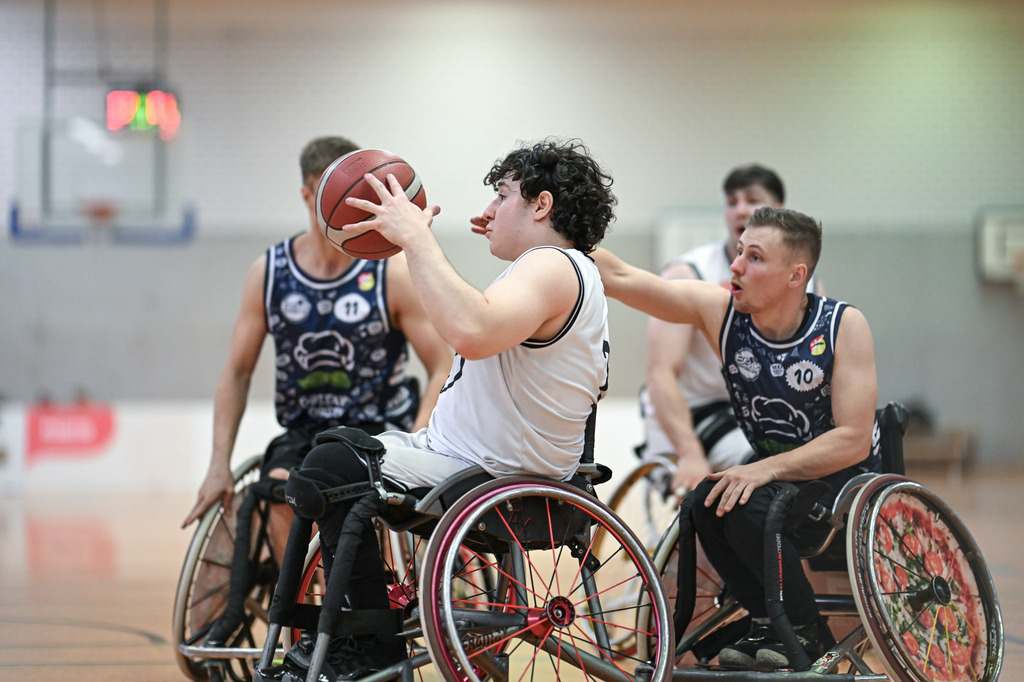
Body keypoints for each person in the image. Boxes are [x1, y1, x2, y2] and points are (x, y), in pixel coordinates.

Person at [268, 139, 615, 680]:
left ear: (541, 205)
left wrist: (414, 236)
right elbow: (473, 319)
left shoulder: (552, 266)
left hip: (492, 475)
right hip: (479, 462)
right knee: (336, 453)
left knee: (331, 467)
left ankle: (367, 641)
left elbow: (471, 329)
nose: (491, 208)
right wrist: (431, 243)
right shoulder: (560, 269)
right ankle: (357, 623)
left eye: (503, 195)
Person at [180, 136, 453, 644]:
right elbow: (237, 371)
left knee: (352, 492)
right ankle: (302, 633)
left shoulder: (389, 272)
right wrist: (219, 461)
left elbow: (442, 364)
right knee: (286, 486)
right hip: (305, 432)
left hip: (377, 432)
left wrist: (421, 439)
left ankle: (368, 618)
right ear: (310, 197)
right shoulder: (270, 273)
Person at [594, 206, 879, 670]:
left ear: (795, 275)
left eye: (755, 257)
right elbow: (624, 277)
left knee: (746, 500)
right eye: (739, 250)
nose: (736, 265)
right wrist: (554, 232)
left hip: (841, 483)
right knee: (706, 501)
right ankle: (769, 622)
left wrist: (762, 468)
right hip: (777, 481)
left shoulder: (843, 325)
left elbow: (853, 440)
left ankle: (804, 631)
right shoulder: (721, 311)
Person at [640, 164, 823, 497]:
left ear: (777, 213)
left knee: (816, 474)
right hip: (698, 409)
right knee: (762, 470)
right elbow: (660, 374)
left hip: (761, 406)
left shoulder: (804, 283)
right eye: (732, 201)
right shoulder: (689, 271)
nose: (740, 209)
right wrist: (690, 452)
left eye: (752, 199)